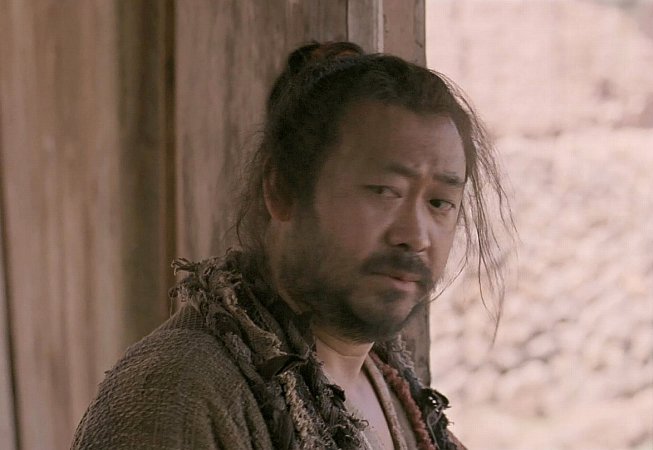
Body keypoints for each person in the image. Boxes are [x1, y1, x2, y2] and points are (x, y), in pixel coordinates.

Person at [71, 41, 511, 450]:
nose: (415, 236)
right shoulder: (178, 391)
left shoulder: (395, 389)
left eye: (440, 202)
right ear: (282, 191)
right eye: (383, 191)